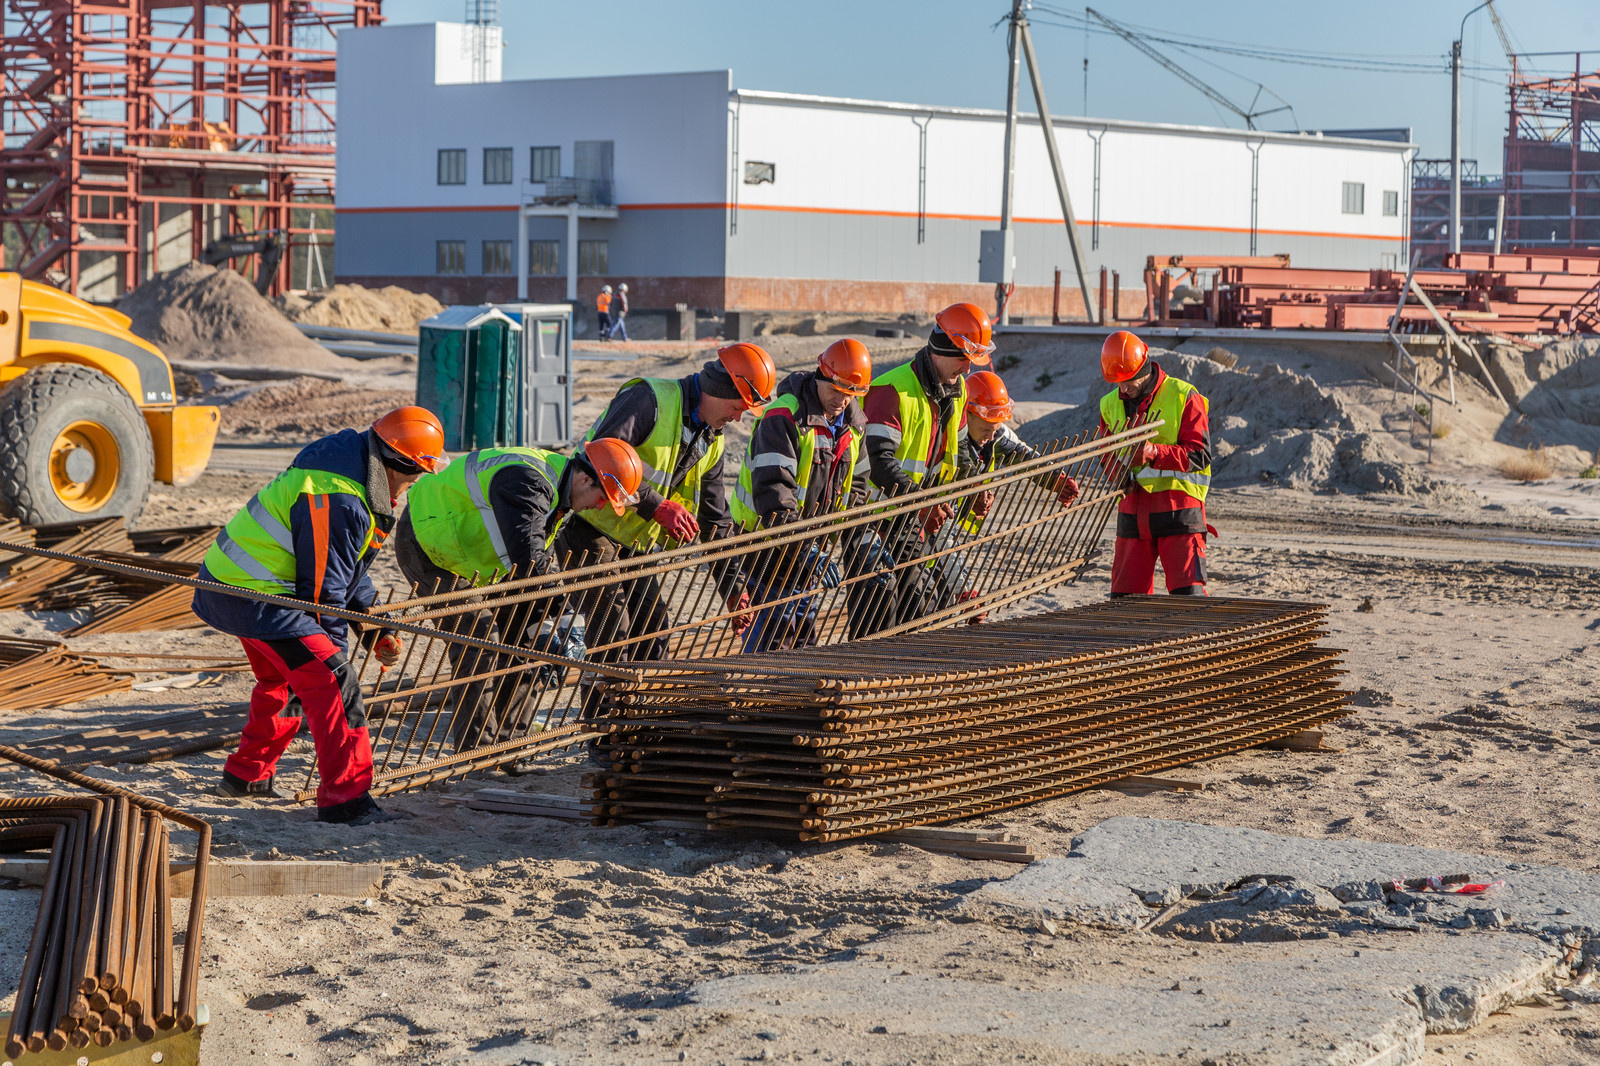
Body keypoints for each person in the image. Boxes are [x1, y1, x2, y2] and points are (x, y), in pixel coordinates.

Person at [195, 407, 446, 825]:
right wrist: (338, 657)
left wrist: (372, 630)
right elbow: (324, 595)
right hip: (256, 595)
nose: (414, 482)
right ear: (399, 463)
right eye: (416, 473)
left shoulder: (352, 464)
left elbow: (348, 566)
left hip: (233, 586)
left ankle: (246, 777)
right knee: (332, 679)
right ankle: (346, 801)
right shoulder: (339, 496)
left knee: (283, 679)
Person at [391, 438, 645, 748]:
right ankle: (478, 753)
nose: (602, 506)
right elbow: (529, 561)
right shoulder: (528, 481)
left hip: (479, 556)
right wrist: (564, 618)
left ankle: (510, 745)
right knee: (479, 639)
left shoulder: (561, 491)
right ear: (584, 478)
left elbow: (533, 566)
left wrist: (552, 625)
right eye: (603, 497)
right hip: (429, 543)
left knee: (528, 640)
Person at [554, 342, 778, 670]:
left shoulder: (711, 440)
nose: (738, 417)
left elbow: (715, 519)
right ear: (719, 389)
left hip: (635, 545)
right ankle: (603, 717)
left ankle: (641, 716)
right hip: (588, 526)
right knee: (613, 630)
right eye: (737, 406)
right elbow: (597, 457)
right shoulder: (650, 400)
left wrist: (733, 589)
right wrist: (657, 506)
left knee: (654, 631)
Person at [851, 302, 993, 636]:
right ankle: (862, 679)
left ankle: (895, 681)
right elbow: (880, 465)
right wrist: (923, 504)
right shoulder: (892, 390)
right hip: (872, 518)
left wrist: (974, 486)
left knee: (916, 604)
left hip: (909, 517)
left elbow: (960, 455)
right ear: (943, 349)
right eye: (963, 359)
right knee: (877, 608)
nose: (967, 368)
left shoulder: (956, 394)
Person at [731, 337, 871, 652]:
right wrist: (807, 548)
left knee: (803, 643)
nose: (841, 401)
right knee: (769, 646)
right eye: (835, 391)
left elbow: (858, 488)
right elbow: (774, 492)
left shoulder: (853, 426)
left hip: (808, 555)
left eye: (850, 395)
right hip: (765, 549)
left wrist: (864, 538)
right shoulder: (785, 417)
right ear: (821, 376)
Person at [1096, 329, 1214, 597]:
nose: (1122, 388)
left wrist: (1153, 453)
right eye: (1117, 382)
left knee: (1189, 603)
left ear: (1143, 369)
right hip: (1131, 513)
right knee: (1125, 604)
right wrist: (1118, 478)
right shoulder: (1109, 404)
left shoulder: (1184, 395)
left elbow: (1200, 455)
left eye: (1127, 381)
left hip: (1179, 511)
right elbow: (1106, 453)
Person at [955, 370, 1081, 535]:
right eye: (986, 429)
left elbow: (1023, 457)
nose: (990, 436)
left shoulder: (996, 437)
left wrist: (1056, 479)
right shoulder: (947, 436)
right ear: (966, 415)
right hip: (926, 518)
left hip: (950, 523)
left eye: (996, 429)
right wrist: (974, 489)